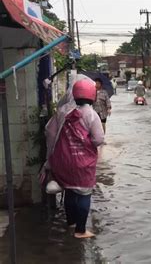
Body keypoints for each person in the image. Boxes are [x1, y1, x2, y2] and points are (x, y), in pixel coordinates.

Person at [45, 76, 105, 239]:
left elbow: (50, 132)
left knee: (70, 190)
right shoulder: (92, 115)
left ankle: (70, 222)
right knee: (84, 193)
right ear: (92, 95)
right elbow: (99, 139)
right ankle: (80, 230)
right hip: (82, 162)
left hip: (63, 160)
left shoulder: (62, 111)